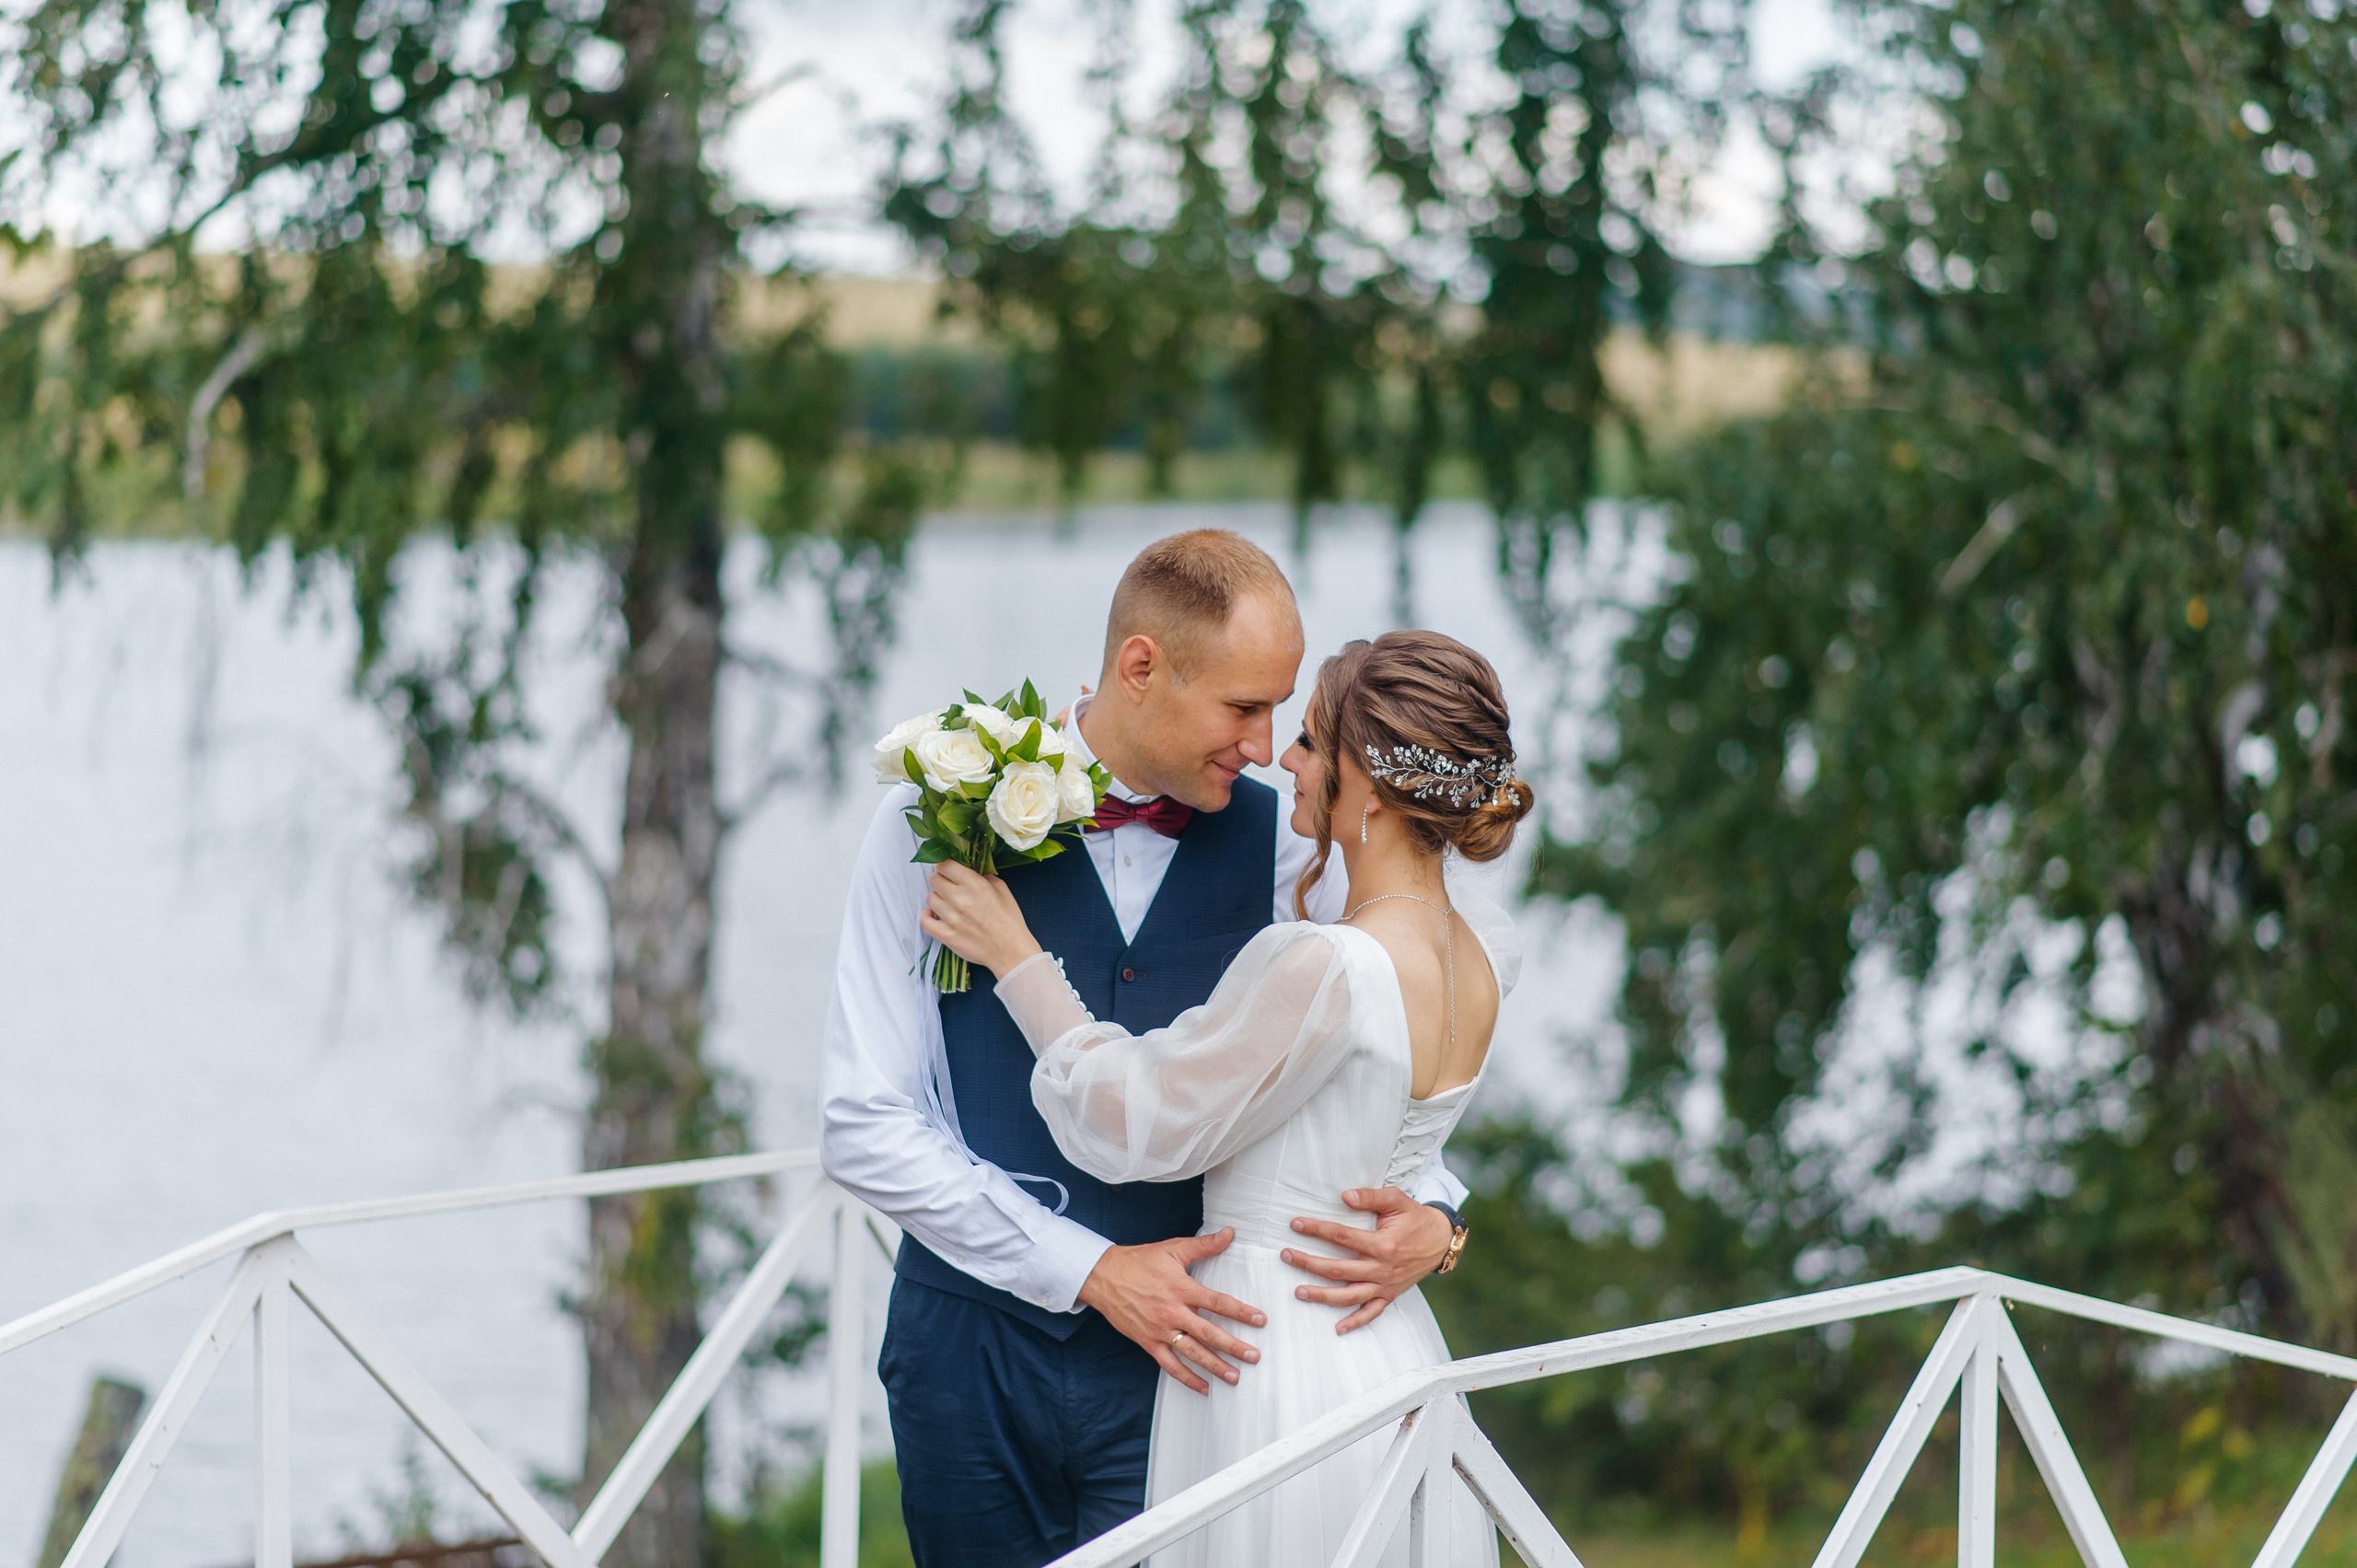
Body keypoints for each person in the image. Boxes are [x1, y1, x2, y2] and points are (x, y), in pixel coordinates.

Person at [819, 534, 1473, 1568]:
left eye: (1280, 713)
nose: (1265, 746)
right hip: (967, 1357)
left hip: (1197, 1364)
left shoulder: (1296, 846)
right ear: (1140, 666)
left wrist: (1436, 1217)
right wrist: (1089, 1270)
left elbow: (1375, 1056)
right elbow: (861, 1123)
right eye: (1242, 707)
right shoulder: (927, 819)